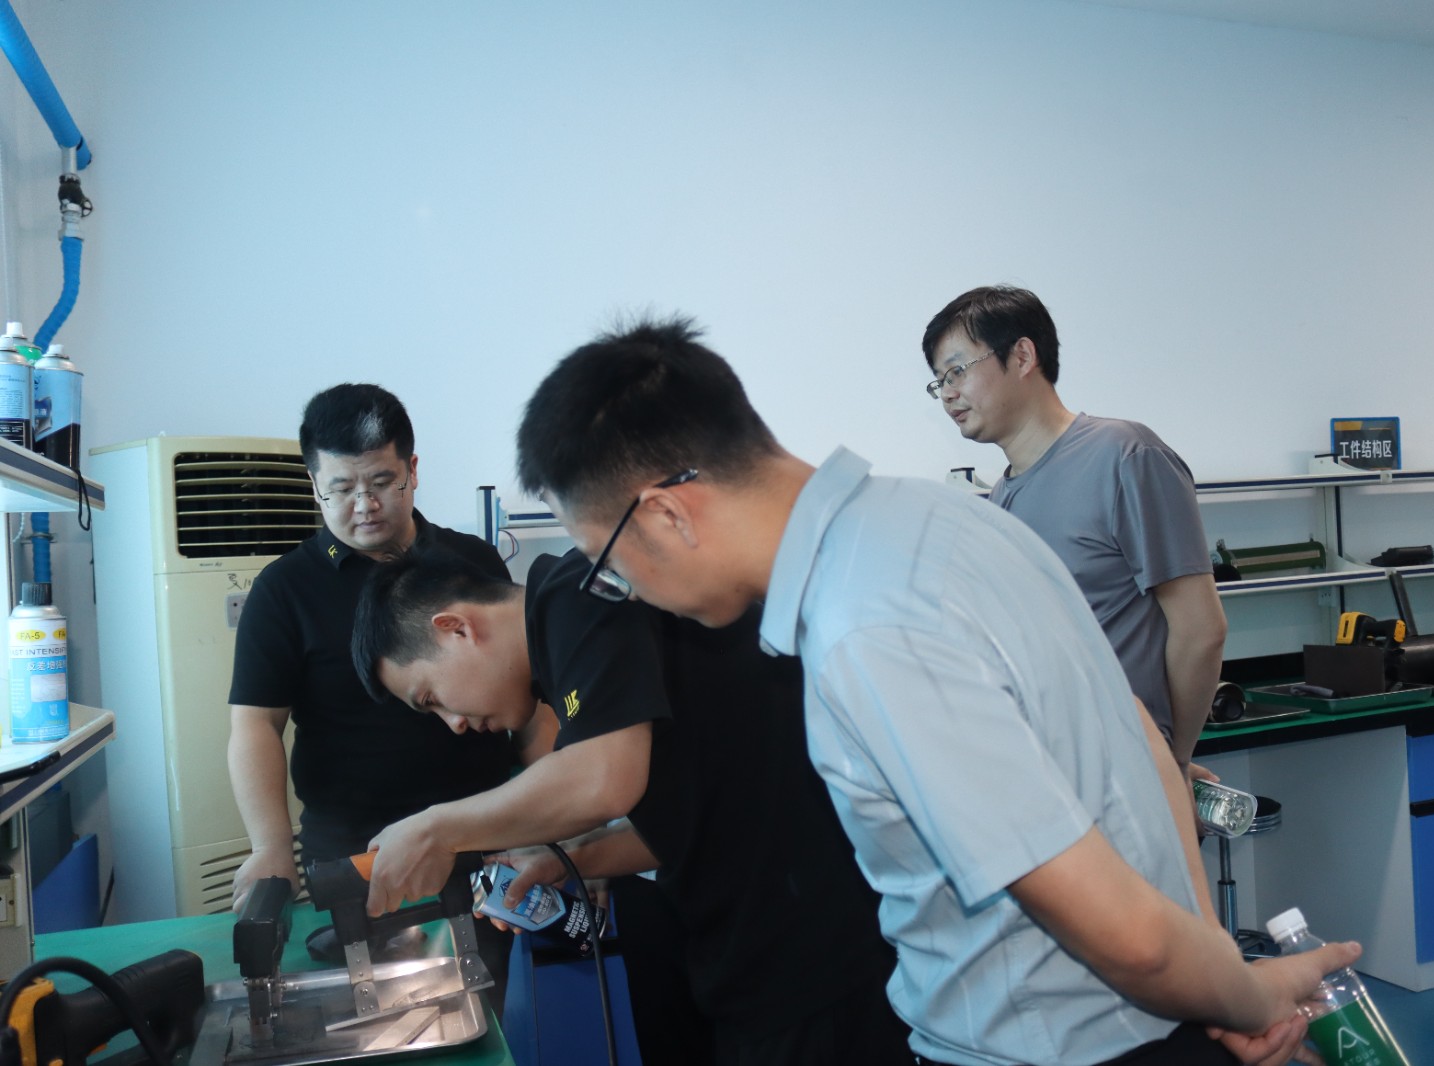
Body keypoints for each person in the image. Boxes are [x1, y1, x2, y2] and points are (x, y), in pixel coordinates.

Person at [515, 316, 1361, 1066]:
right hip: (1160, 1015)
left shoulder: (866, 628)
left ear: (665, 516)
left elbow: (1132, 943)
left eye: (609, 567)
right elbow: (1136, 734)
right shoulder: (948, 518)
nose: (627, 592)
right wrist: (1215, 969)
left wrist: (1250, 997)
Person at [350, 546, 912, 1066]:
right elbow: (686, 813)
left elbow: (604, 780)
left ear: (455, 628)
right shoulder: (568, 653)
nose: (453, 723)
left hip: (812, 952)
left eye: (431, 698)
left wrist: (438, 830)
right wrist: (570, 858)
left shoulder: (576, 593)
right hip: (752, 953)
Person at [226, 383, 519, 1011]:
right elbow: (255, 726)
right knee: (374, 1015)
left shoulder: (471, 561)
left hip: (485, 834)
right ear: (314, 484)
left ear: (412, 469)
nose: (364, 505)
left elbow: (530, 692)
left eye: (383, 482)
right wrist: (270, 846)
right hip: (358, 856)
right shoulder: (284, 590)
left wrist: (540, 818)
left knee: (490, 1013)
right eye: (341, 488)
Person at [922, 285, 1226, 769]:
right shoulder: (1001, 500)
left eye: (957, 370)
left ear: (1022, 356)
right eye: (939, 381)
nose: (948, 394)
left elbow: (1201, 630)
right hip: (1049, 770)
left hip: (1127, 765)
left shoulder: (1125, 457)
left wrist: (1175, 762)